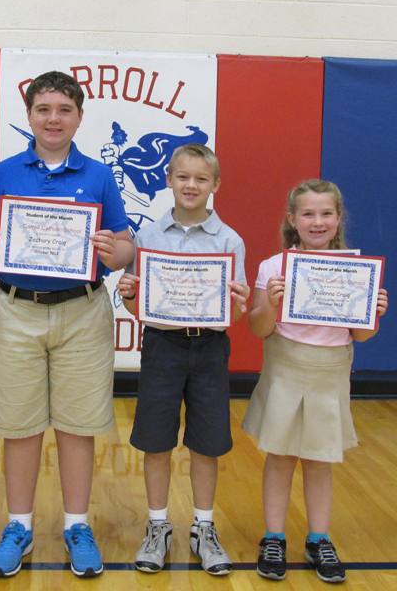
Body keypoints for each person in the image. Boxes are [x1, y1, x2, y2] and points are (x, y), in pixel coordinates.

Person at [0, 71, 133, 578]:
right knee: (19, 425)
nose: (53, 119)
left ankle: (77, 525)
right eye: (44, 109)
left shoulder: (98, 176)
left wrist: (114, 249)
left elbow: (125, 247)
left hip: (82, 311)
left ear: (79, 117)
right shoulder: (3, 173)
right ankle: (18, 525)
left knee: (78, 426)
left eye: (64, 110)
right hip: (16, 310)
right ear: (30, 116)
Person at [242, 179, 389, 584]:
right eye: (308, 213)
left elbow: (362, 335)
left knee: (320, 459)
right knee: (280, 456)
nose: (317, 221)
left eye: (326, 213)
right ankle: (273, 537)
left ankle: (318, 538)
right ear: (292, 219)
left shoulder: (356, 272)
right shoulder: (273, 267)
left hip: (331, 371)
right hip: (285, 367)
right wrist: (271, 304)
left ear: (339, 218)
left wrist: (374, 313)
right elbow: (258, 328)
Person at [116, 144, 250, 576]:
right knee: (156, 440)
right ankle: (157, 525)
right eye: (183, 177)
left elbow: (233, 312)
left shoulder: (230, 241)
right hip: (163, 346)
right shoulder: (148, 237)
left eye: (201, 179)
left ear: (215, 185)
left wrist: (238, 303)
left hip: (209, 349)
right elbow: (138, 307)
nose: (191, 185)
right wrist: (129, 295)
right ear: (169, 179)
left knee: (207, 443)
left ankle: (203, 527)